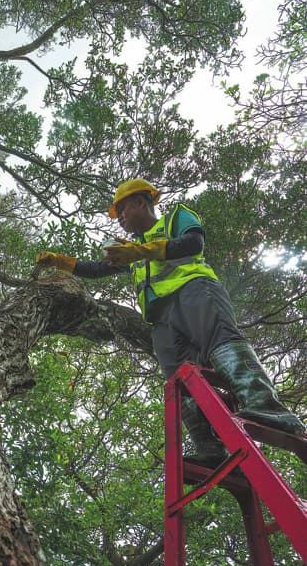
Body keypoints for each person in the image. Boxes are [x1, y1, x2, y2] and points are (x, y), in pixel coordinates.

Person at [35, 178, 305, 465]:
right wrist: (61, 262)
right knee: (180, 379)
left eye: (123, 210)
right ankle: (210, 448)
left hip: (194, 290)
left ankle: (267, 406)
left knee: (221, 341)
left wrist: (141, 251)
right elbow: (98, 269)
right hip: (161, 318)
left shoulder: (177, 216)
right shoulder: (131, 248)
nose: (121, 219)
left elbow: (193, 242)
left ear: (140, 202)